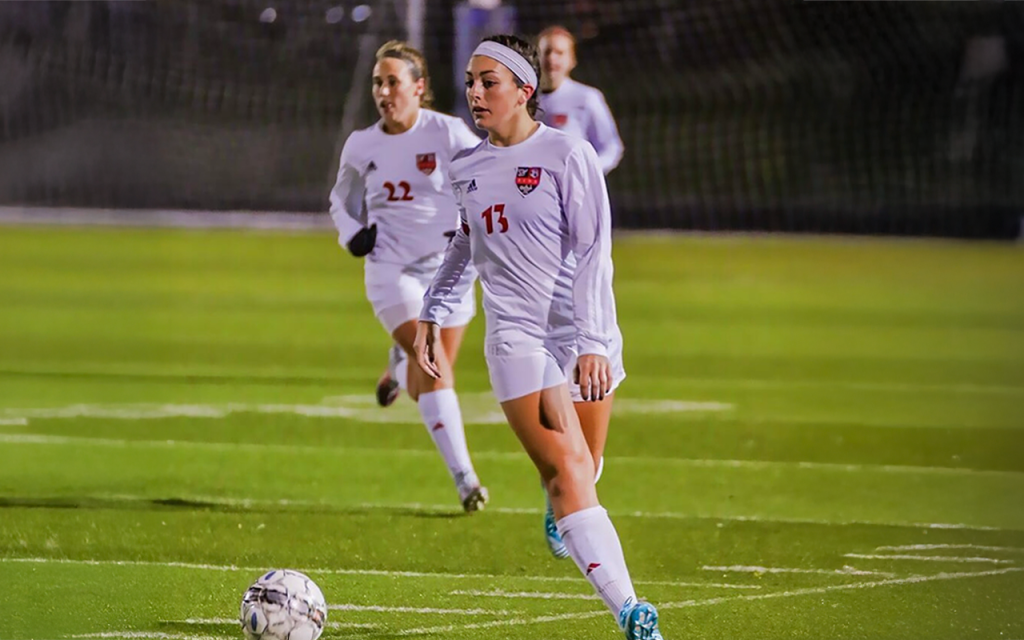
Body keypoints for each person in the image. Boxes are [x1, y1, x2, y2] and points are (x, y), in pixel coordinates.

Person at [414, 34, 664, 640]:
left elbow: (595, 251)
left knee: (588, 463)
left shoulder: (568, 154)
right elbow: (465, 241)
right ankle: (632, 611)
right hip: (517, 338)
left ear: (524, 90)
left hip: (582, 333)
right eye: (470, 82)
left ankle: (567, 511)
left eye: (488, 82)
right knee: (566, 470)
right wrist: (431, 310)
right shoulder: (466, 167)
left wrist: (593, 341)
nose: (474, 93)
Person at [328, 40, 488, 513]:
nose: (383, 92)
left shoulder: (448, 133)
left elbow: (487, 177)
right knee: (434, 365)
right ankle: (466, 480)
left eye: (393, 82)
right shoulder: (362, 145)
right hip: (391, 269)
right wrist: (352, 234)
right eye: (377, 83)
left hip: (451, 271)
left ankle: (399, 368)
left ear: (419, 88)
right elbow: (340, 202)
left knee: (423, 383)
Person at [537, 25, 624, 175]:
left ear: (572, 60)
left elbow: (611, 147)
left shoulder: (586, 98)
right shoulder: (520, 98)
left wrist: (586, 173)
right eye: (547, 52)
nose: (552, 58)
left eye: (559, 53)